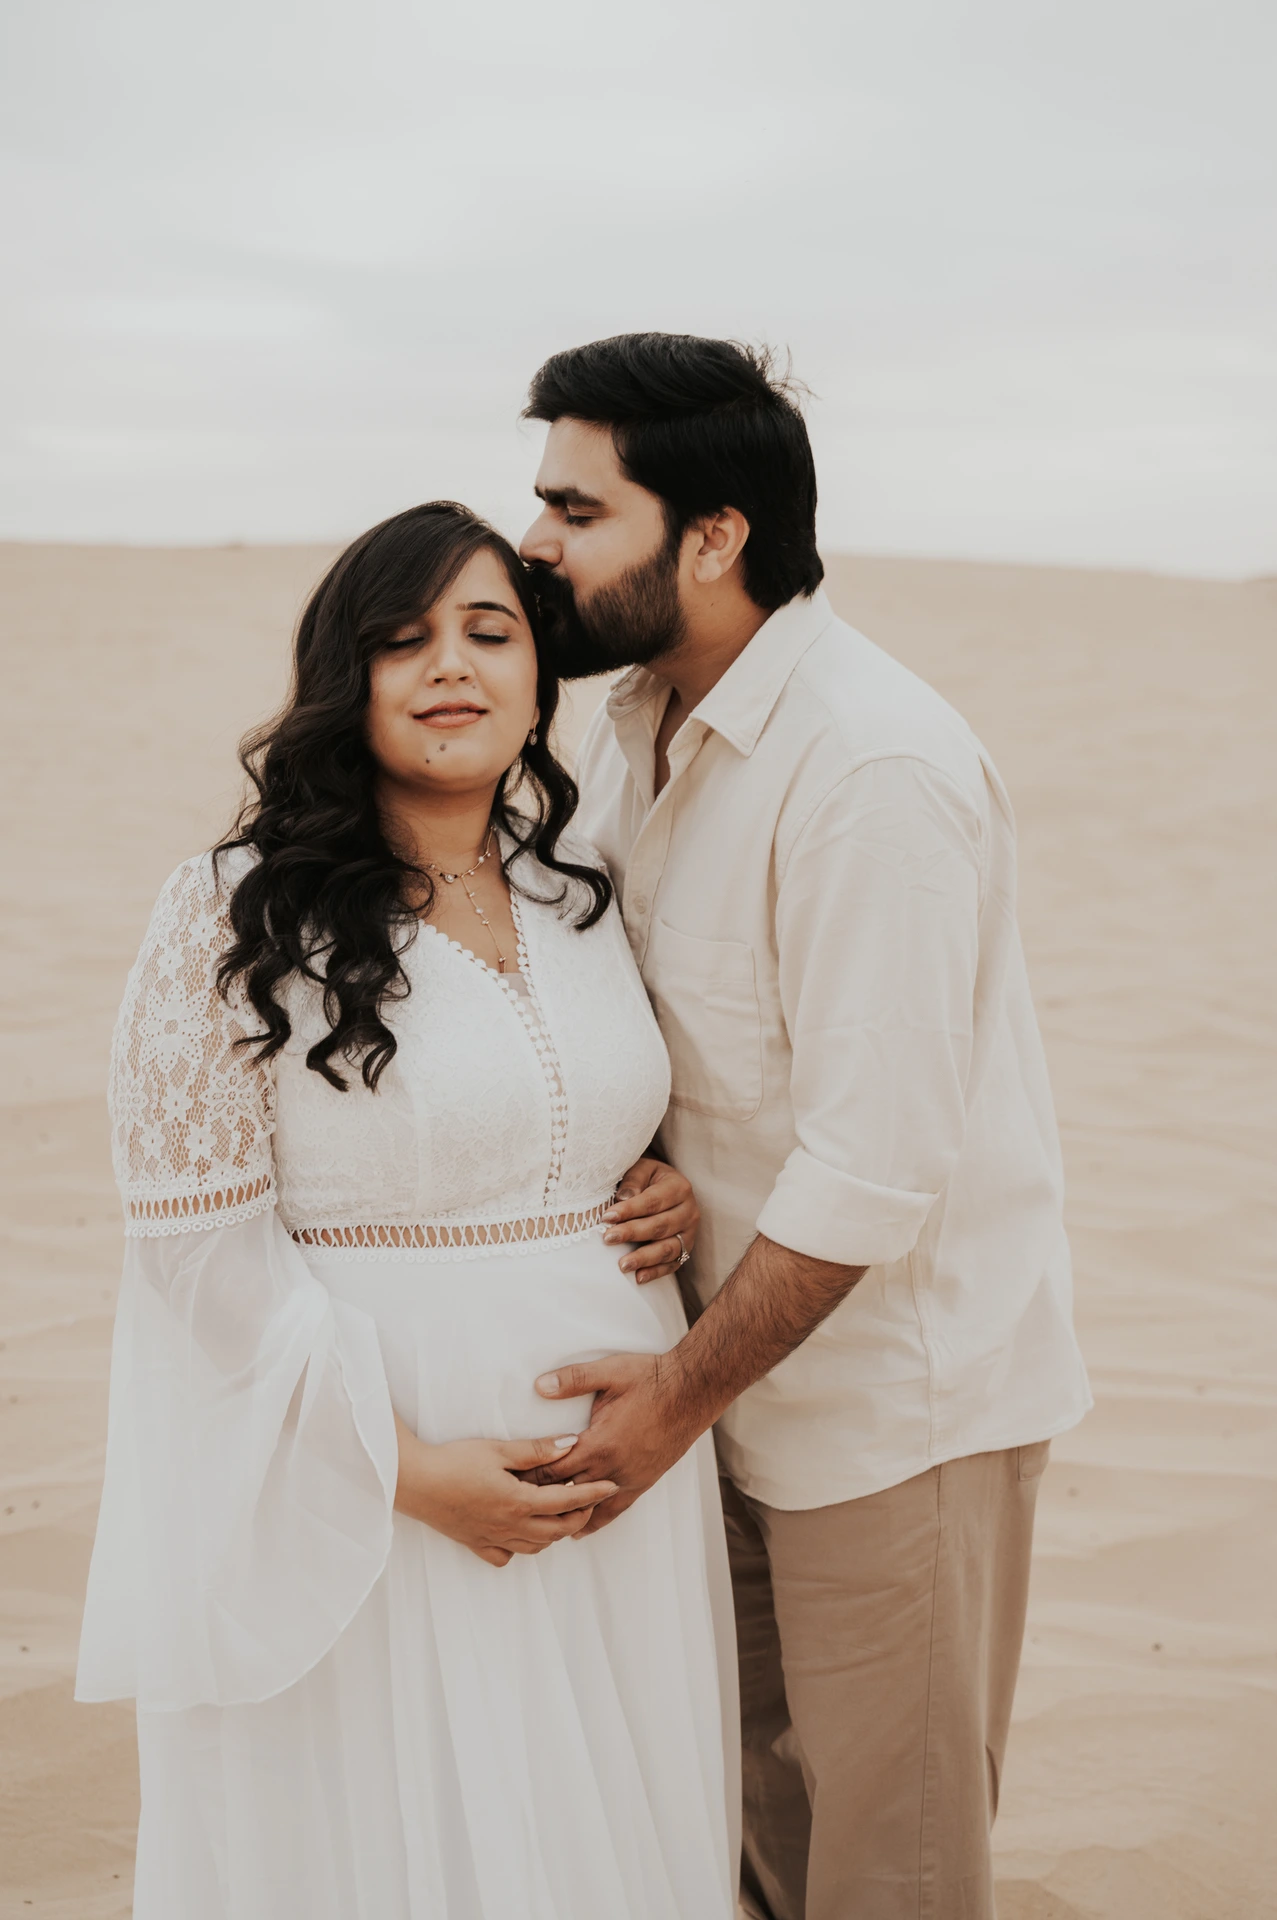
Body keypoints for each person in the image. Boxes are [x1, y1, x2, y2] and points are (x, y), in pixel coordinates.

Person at [75, 502, 739, 1920]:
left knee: (593, 1840)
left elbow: (573, 1123)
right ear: (346, 679)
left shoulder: (582, 896)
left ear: (536, 677)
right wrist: (402, 1466)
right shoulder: (233, 910)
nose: (452, 665)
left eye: (490, 632)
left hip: (611, 1484)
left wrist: (660, 1184)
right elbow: (196, 1255)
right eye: (403, 639)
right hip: (371, 1475)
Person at [518, 333, 1093, 1920]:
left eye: (577, 512)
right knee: (760, 1849)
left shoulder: (871, 767)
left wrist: (667, 1405)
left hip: (886, 1425)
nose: (537, 548)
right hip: (725, 1401)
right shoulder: (628, 723)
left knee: (890, 1874)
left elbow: (875, 1166)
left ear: (714, 537)